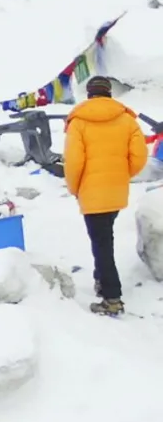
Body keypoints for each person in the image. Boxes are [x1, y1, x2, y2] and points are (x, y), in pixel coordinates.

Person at [64, 76, 147, 316]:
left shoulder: (79, 122)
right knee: (103, 237)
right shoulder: (127, 120)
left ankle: (112, 297)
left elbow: (74, 162)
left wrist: (75, 187)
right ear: (109, 93)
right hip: (116, 191)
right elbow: (140, 156)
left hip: (91, 193)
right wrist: (122, 174)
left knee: (102, 244)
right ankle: (101, 279)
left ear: (89, 94)